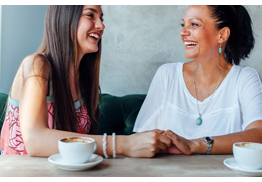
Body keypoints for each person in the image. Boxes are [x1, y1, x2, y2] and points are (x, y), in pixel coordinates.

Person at [0, 5, 171, 158]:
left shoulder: (83, 79)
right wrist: (124, 144)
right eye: (90, 15)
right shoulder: (37, 64)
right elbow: (34, 141)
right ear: (65, 19)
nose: (101, 25)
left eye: (101, 18)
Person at [133, 5, 262, 155]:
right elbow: (139, 141)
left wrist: (195, 145)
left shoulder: (245, 78)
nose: (183, 32)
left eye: (194, 24)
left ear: (222, 35)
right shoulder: (167, 74)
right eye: (183, 24)